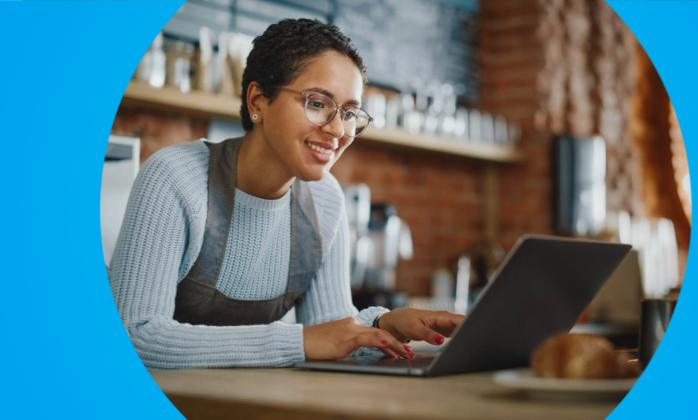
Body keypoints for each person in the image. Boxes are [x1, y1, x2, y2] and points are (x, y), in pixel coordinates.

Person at [110, 18, 465, 369]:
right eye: (316, 103)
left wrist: (384, 325)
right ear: (258, 101)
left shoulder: (326, 200)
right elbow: (136, 337)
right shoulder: (176, 177)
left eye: (350, 112)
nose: (338, 130)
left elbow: (331, 331)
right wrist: (301, 340)